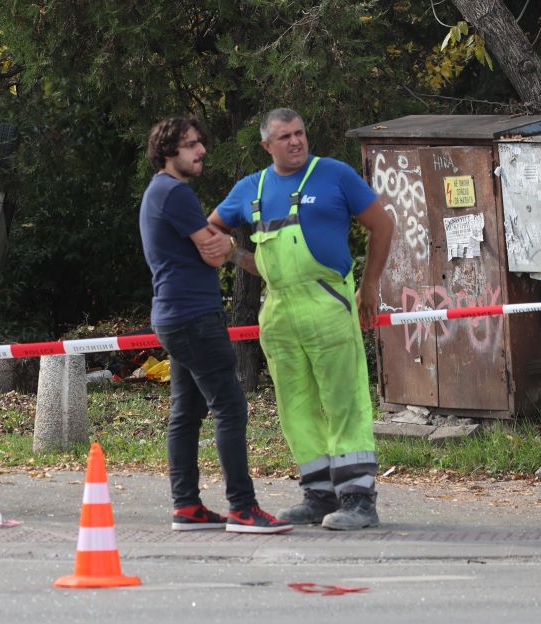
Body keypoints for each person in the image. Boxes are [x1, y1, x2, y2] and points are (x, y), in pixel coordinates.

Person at [208, 108, 394, 530]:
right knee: (296, 407)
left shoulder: (334, 175)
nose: (296, 141)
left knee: (344, 402)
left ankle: (359, 499)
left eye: (300, 133)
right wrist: (236, 255)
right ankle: (318, 495)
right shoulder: (249, 189)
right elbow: (209, 231)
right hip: (279, 313)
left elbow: (382, 227)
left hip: (328, 306)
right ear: (266, 145)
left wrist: (368, 287)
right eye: (285, 136)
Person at [138, 116, 292, 535]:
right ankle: (244, 508)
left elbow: (213, 245)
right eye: (190, 145)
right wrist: (229, 250)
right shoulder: (174, 192)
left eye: (200, 142)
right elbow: (212, 252)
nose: (201, 150)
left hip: (174, 315)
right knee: (230, 406)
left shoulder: (160, 193)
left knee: (186, 412)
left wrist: (221, 246)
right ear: (168, 152)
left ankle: (186, 506)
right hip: (193, 317)